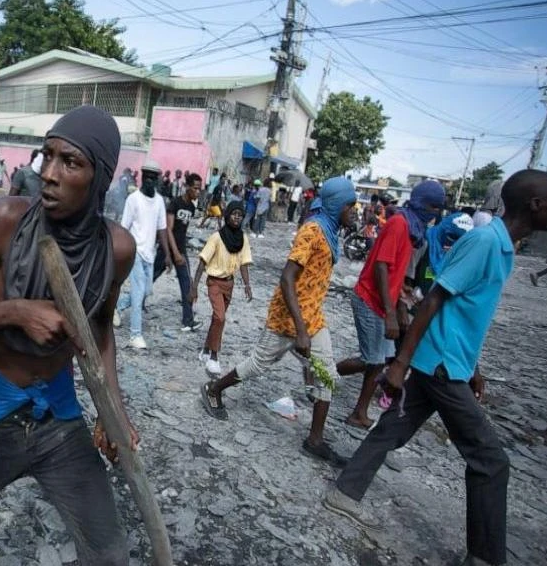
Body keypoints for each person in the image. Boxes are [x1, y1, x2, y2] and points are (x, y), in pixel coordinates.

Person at [0, 105, 136, 566]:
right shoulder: (7, 220)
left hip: (59, 415)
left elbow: (100, 329)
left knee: (110, 550)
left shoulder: (117, 249)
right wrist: (16, 311)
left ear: (100, 178)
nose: (49, 175)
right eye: (48, 157)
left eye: (71, 163)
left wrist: (112, 410)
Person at [324, 170, 547, 566]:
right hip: (439, 366)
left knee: (391, 430)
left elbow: (467, 312)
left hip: (451, 361)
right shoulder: (485, 241)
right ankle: (485, 557)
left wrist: (474, 365)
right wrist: (399, 363)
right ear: (535, 204)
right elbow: (434, 300)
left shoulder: (501, 245)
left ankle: (344, 492)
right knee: (490, 461)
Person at [202, 178, 358, 467]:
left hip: (313, 317)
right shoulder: (312, 231)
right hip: (288, 316)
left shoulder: (331, 233)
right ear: (336, 204)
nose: (354, 210)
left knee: (326, 374)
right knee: (258, 364)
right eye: (350, 205)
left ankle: (315, 440)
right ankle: (213, 389)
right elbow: (287, 278)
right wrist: (300, 329)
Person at [335, 180, 446, 429]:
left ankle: (359, 411)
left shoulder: (412, 230)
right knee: (372, 359)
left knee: (381, 359)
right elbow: (381, 267)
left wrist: (402, 300)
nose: (435, 214)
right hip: (369, 298)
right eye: (433, 207)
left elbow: (393, 272)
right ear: (422, 203)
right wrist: (390, 312)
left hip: (382, 301)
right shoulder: (399, 224)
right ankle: (325, 374)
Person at [190, 201, 253, 375]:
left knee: (217, 319)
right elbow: (203, 261)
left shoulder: (242, 238)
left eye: (240, 215)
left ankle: (205, 349)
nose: (237, 218)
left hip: (229, 284)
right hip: (215, 282)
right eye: (234, 214)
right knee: (221, 317)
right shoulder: (217, 237)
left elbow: (244, 263)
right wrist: (194, 286)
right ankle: (214, 357)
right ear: (227, 215)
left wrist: (247, 285)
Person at [115, 161, 172, 349]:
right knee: (139, 295)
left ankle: (118, 306)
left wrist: (167, 254)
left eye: (153, 177)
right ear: (141, 177)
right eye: (146, 176)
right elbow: (124, 227)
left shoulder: (160, 202)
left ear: (157, 180)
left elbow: (162, 228)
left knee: (146, 291)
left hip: (150, 253)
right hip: (135, 252)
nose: (149, 180)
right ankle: (135, 335)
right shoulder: (133, 200)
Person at [168, 173, 202, 332]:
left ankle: (188, 320)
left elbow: (183, 230)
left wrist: (181, 251)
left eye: (199, 189)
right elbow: (168, 230)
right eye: (195, 188)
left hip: (181, 250)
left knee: (186, 284)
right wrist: (174, 253)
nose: (198, 192)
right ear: (187, 187)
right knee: (148, 280)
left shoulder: (192, 208)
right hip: (167, 250)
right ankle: (123, 306)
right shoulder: (175, 203)